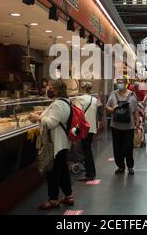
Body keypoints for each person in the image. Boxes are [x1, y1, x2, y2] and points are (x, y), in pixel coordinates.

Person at [29, 79, 74, 210]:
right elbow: (56, 117)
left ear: (56, 90)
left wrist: (38, 117)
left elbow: (51, 123)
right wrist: (42, 114)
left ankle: (53, 200)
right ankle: (68, 195)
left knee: (53, 171)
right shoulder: (65, 102)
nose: (48, 89)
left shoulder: (57, 104)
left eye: (50, 87)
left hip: (56, 143)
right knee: (63, 170)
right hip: (63, 142)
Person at [106, 77, 140, 175]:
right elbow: (107, 106)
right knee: (117, 148)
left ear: (126, 83)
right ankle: (120, 166)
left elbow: (135, 110)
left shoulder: (132, 95)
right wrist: (113, 109)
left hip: (129, 127)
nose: (119, 84)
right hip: (116, 126)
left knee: (128, 147)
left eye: (121, 82)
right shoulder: (113, 94)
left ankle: (130, 166)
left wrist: (137, 123)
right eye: (118, 82)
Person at [75, 81, 101, 181]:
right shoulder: (95, 99)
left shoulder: (79, 99)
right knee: (87, 149)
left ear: (82, 89)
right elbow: (98, 112)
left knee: (86, 150)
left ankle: (90, 173)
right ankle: (90, 172)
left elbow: (78, 114)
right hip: (92, 127)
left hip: (83, 127)